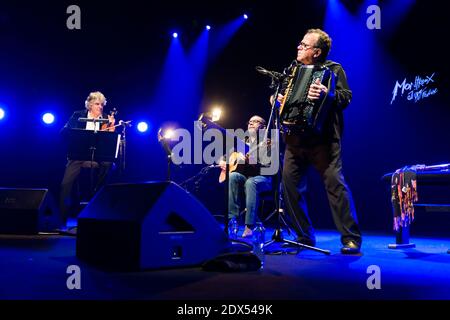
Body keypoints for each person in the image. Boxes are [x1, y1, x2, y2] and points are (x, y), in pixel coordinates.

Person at [277, 29, 362, 254]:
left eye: (304, 45)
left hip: (323, 140)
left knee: (335, 186)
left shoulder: (333, 69)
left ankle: (351, 238)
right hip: (295, 140)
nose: (299, 47)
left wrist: (328, 92)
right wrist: (279, 100)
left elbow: (346, 97)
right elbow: (285, 100)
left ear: (316, 52)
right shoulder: (292, 71)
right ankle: (304, 235)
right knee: (289, 186)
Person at [59, 91, 116, 228]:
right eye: (97, 104)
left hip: (98, 157)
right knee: (66, 184)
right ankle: (62, 218)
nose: (100, 107)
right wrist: (72, 131)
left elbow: (109, 143)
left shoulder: (107, 119)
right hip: (78, 155)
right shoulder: (78, 115)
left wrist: (111, 126)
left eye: (102, 105)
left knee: (109, 163)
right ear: (89, 105)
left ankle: (97, 197)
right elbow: (64, 133)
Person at [219, 115, 273, 238]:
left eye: (255, 121)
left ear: (263, 127)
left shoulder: (268, 143)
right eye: (250, 121)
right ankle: (232, 220)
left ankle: (249, 226)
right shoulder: (243, 142)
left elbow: (269, 168)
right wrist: (223, 162)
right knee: (233, 176)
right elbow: (227, 156)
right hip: (247, 178)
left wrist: (254, 162)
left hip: (264, 179)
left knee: (251, 182)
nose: (251, 123)